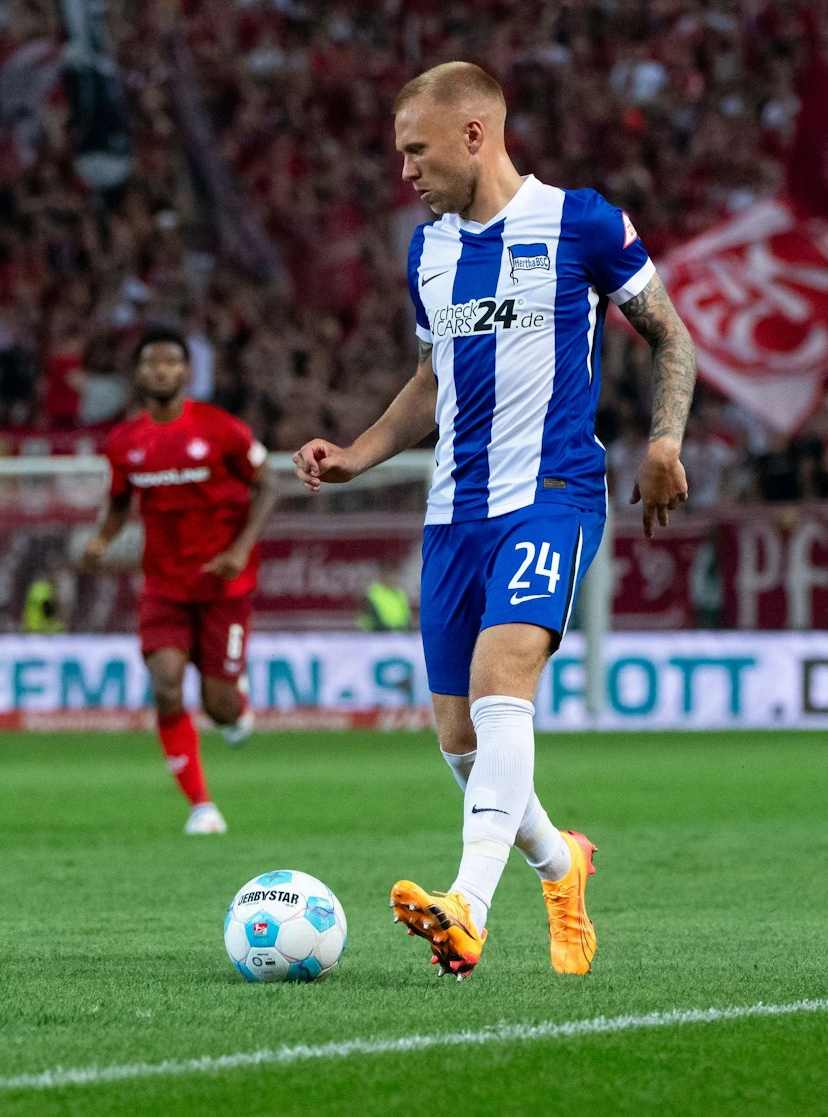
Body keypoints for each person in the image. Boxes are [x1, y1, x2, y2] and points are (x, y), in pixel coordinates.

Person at [292, 61, 695, 979]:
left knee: (500, 680)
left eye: (415, 150)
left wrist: (664, 440)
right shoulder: (427, 251)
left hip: (552, 491)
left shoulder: (581, 222)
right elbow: (432, 381)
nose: (403, 171)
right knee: (459, 738)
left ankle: (466, 907)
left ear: (475, 134)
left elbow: (670, 333)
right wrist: (358, 451)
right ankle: (563, 863)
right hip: (452, 515)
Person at [84, 329, 277, 836]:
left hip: (223, 588)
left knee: (221, 709)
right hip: (164, 587)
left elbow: (268, 486)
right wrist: (102, 540)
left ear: (187, 372)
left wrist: (238, 551)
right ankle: (201, 806)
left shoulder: (221, 429)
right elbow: (121, 502)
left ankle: (234, 697)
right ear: (139, 373)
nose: (161, 370)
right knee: (166, 686)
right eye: (152, 362)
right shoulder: (125, 442)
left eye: (171, 362)